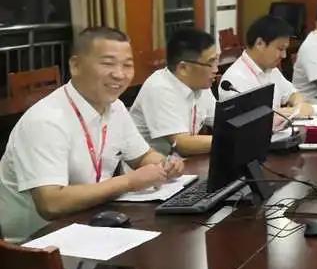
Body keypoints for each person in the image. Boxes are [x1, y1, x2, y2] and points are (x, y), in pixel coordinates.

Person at [0, 27, 184, 242]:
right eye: (108, 63)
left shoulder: (115, 108)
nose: (119, 74)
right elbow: (51, 204)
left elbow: (142, 156)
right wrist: (129, 182)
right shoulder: (46, 120)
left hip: (91, 224)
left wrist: (166, 164)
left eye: (127, 65)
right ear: (76, 66)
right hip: (35, 244)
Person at [130, 27, 218, 156]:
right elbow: (182, 144)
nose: (216, 69)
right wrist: (229, 139)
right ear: (183, 68)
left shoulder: (200, 83)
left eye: (216, 60)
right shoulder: (159, 88)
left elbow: (221, 122)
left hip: (181, 163)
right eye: (211, 63)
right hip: (149, 165)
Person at [218, 15, 313, 119]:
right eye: (280, 49)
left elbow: (293, 94)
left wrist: (298, 105)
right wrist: (293, 111)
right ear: (259, 44)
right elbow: (248, 121)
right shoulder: (234, 80)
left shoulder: (272, 70)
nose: (284, 55)